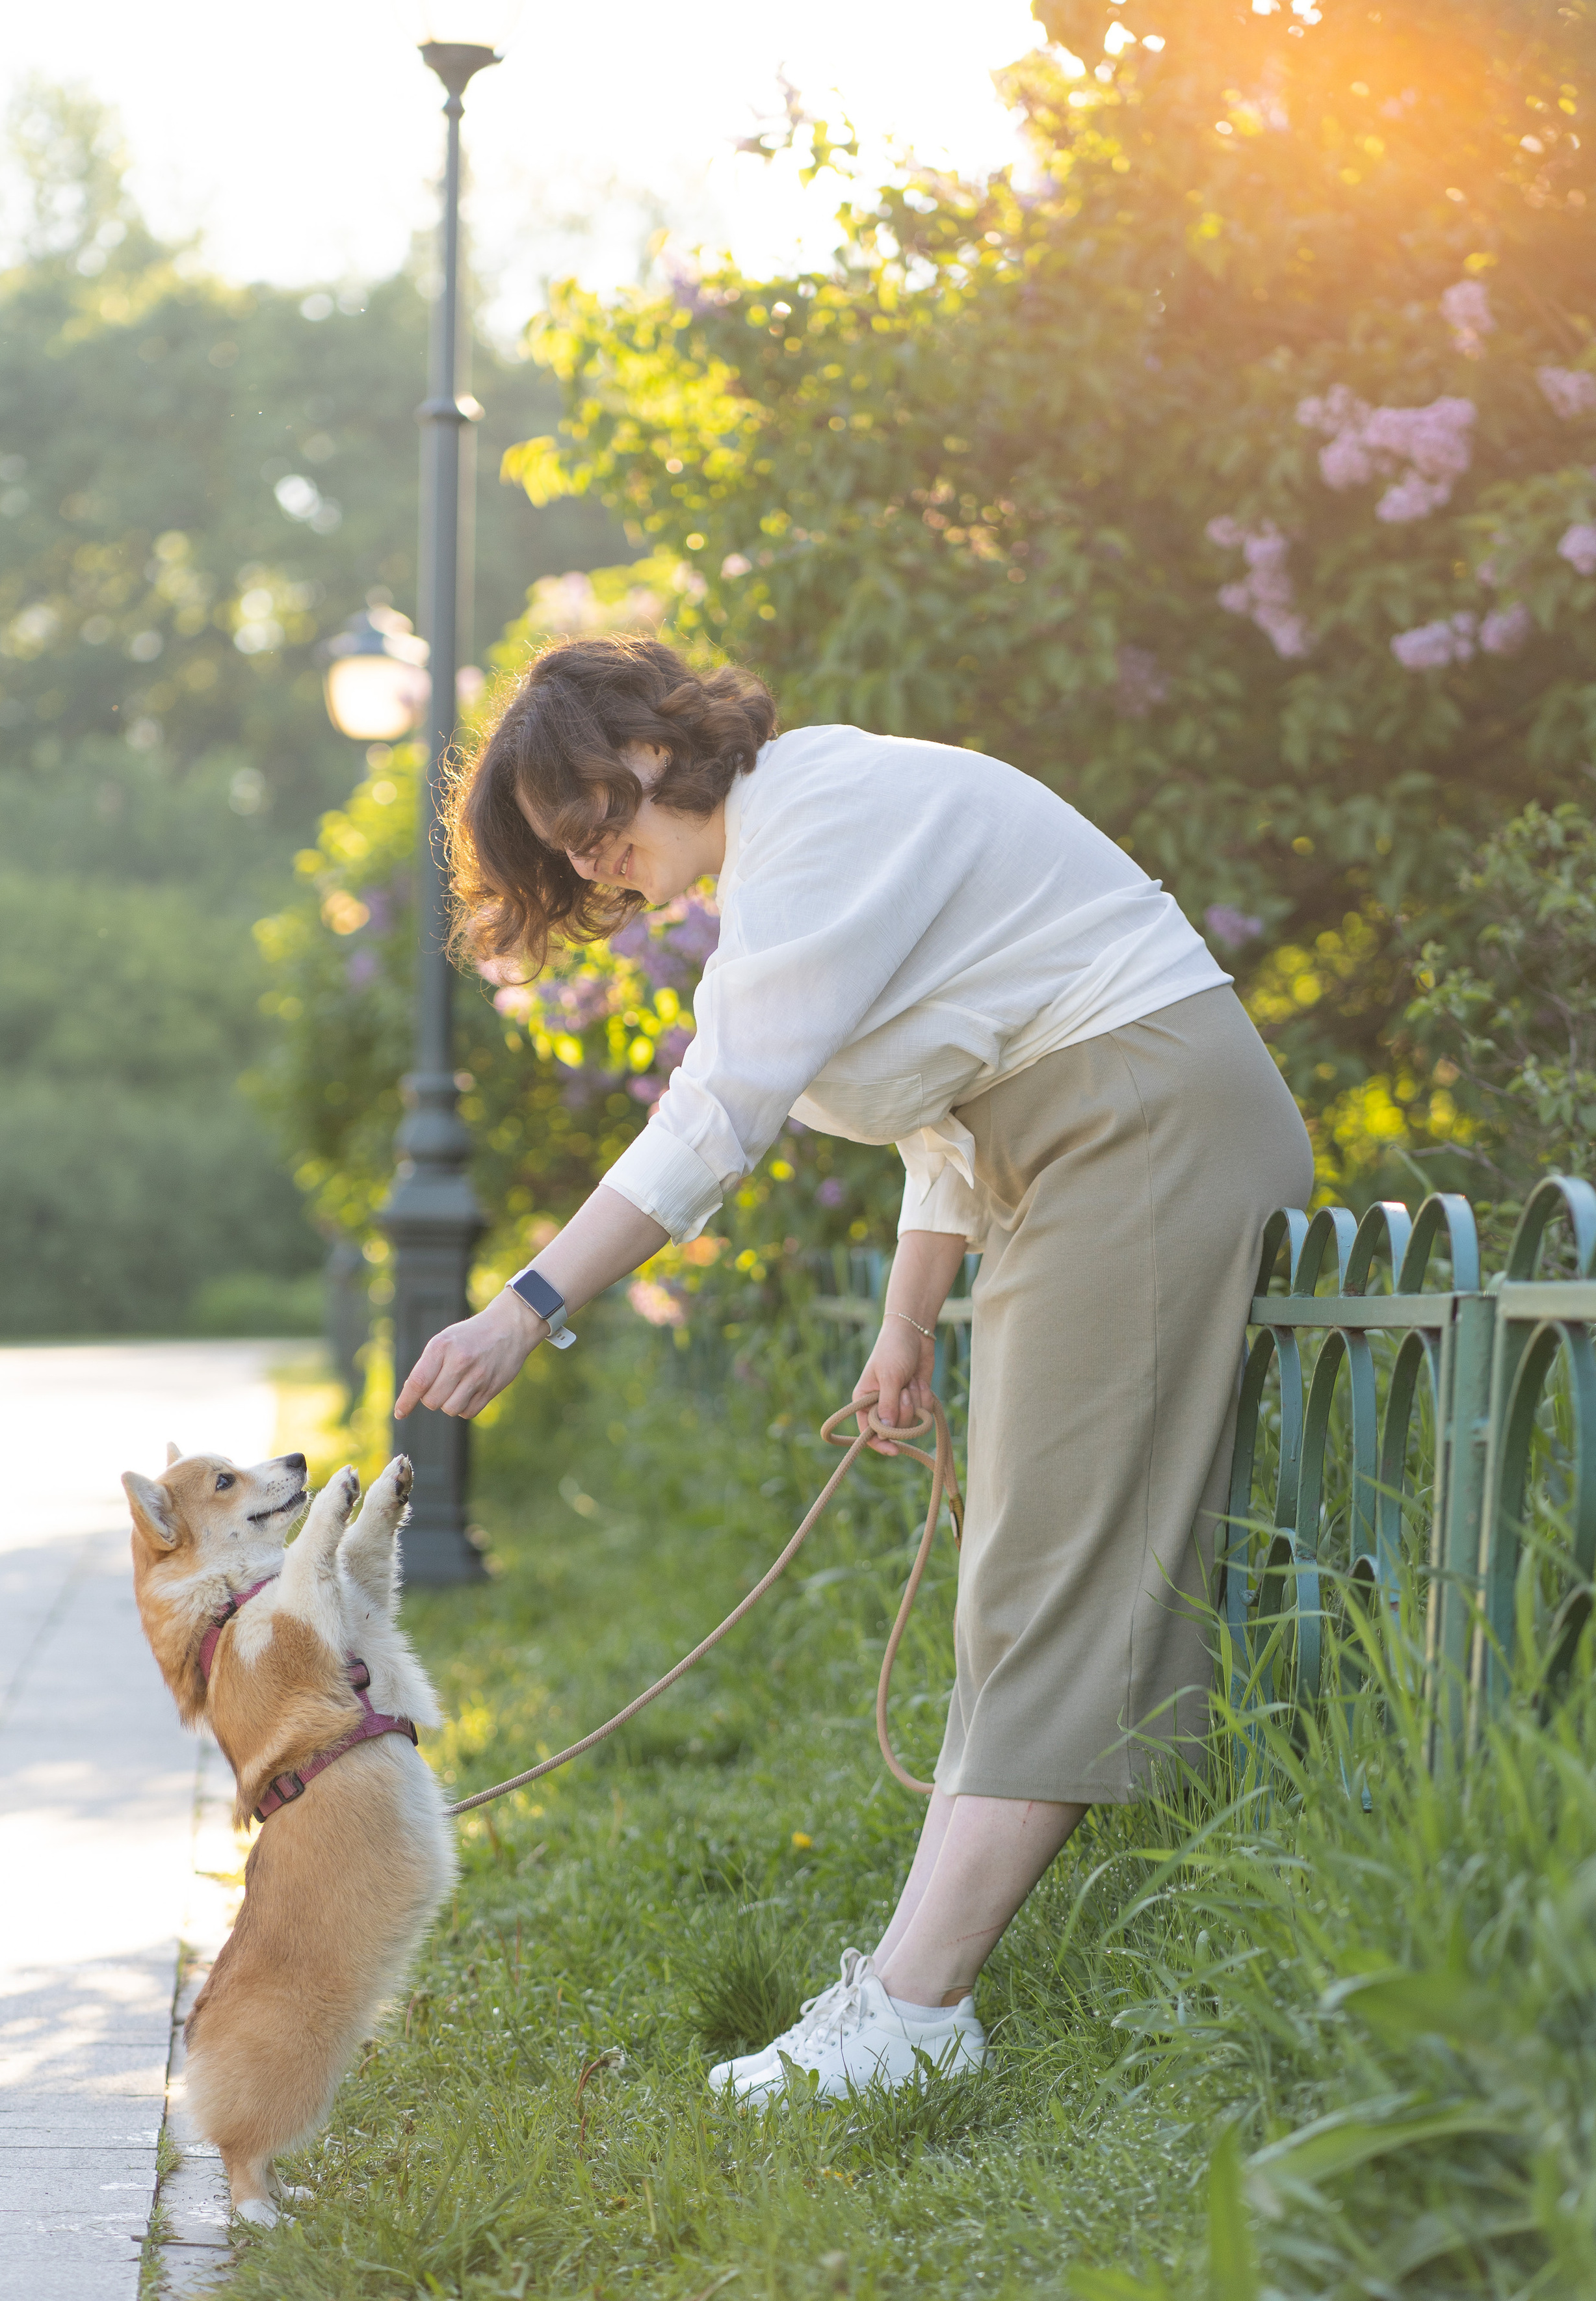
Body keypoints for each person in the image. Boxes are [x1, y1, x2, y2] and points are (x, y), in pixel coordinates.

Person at [397, 638, 1313, 2103]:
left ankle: (914, 2014)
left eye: (593, 826)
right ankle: (900, 1998)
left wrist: (525, 1304)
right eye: (578, 861)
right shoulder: (794, 837)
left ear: (647, 744)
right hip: (1077, 1140)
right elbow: (951, 1104)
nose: (604, 869)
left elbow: (716, 1115)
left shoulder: (810, 813)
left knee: (1049, 1577)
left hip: (1141, 1127)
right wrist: (905, 1326)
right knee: (1013, 1578)